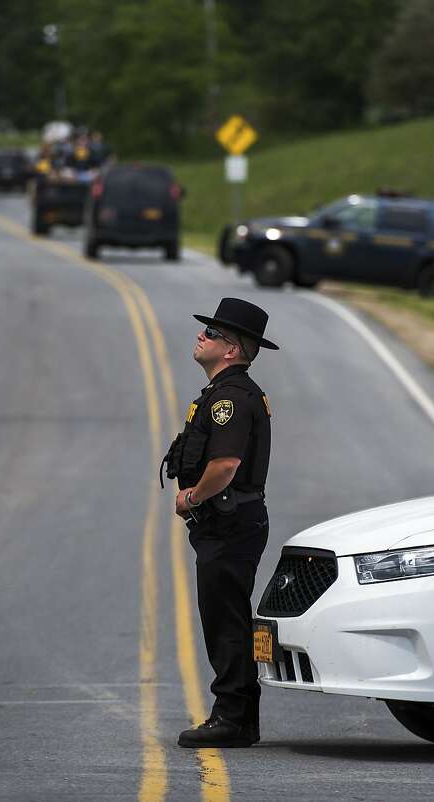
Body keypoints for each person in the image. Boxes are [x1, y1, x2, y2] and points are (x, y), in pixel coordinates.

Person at [163, 297, 278, 748]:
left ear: (231, 350)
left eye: (212, 332)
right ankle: (241, 719)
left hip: (229, 524)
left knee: (224, 621)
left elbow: (226, 464)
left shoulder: (229, 399)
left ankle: (230, 717)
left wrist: (191, 496)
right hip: (231, 523)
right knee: (227, 617)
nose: (201, 335)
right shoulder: (228, 392)